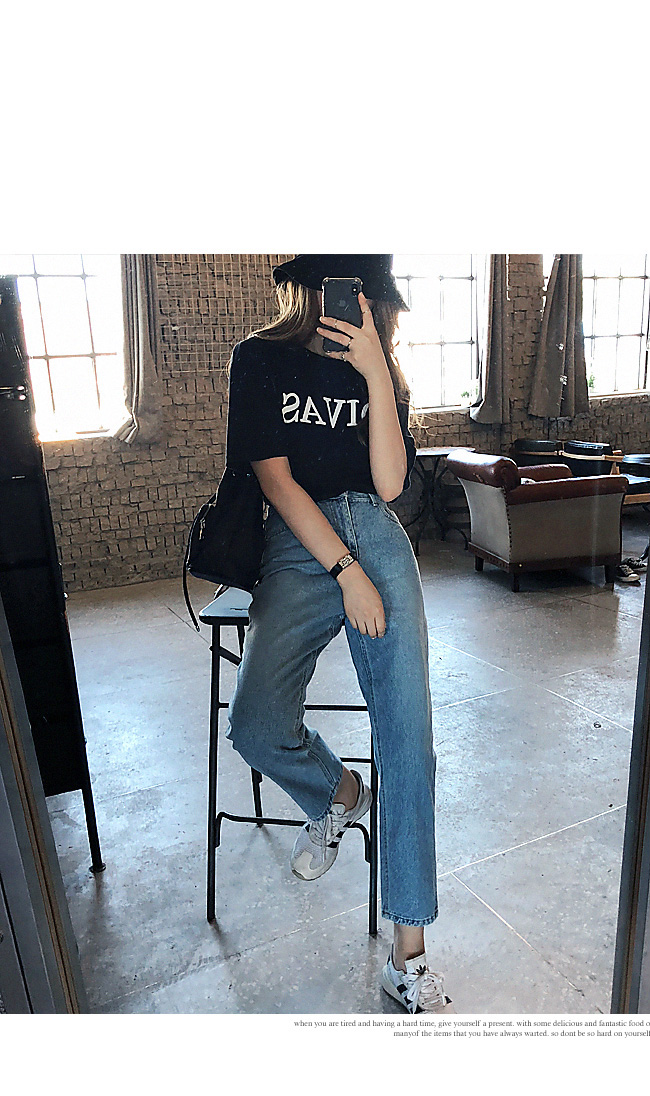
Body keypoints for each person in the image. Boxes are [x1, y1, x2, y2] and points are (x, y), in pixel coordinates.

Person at [224, 254, 453, 1014]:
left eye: (362, 291)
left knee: (409, 735)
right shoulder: (259, 358)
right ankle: (340, 793)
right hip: (300, 542)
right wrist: (346, 571)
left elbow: (389, 484)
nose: (349, 303)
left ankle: (409, 956)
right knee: (255, 723)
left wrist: (377, 372)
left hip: (375, 531)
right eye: (338, 287)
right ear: (309, 289)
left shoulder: (375, 364)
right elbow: (276, 479)